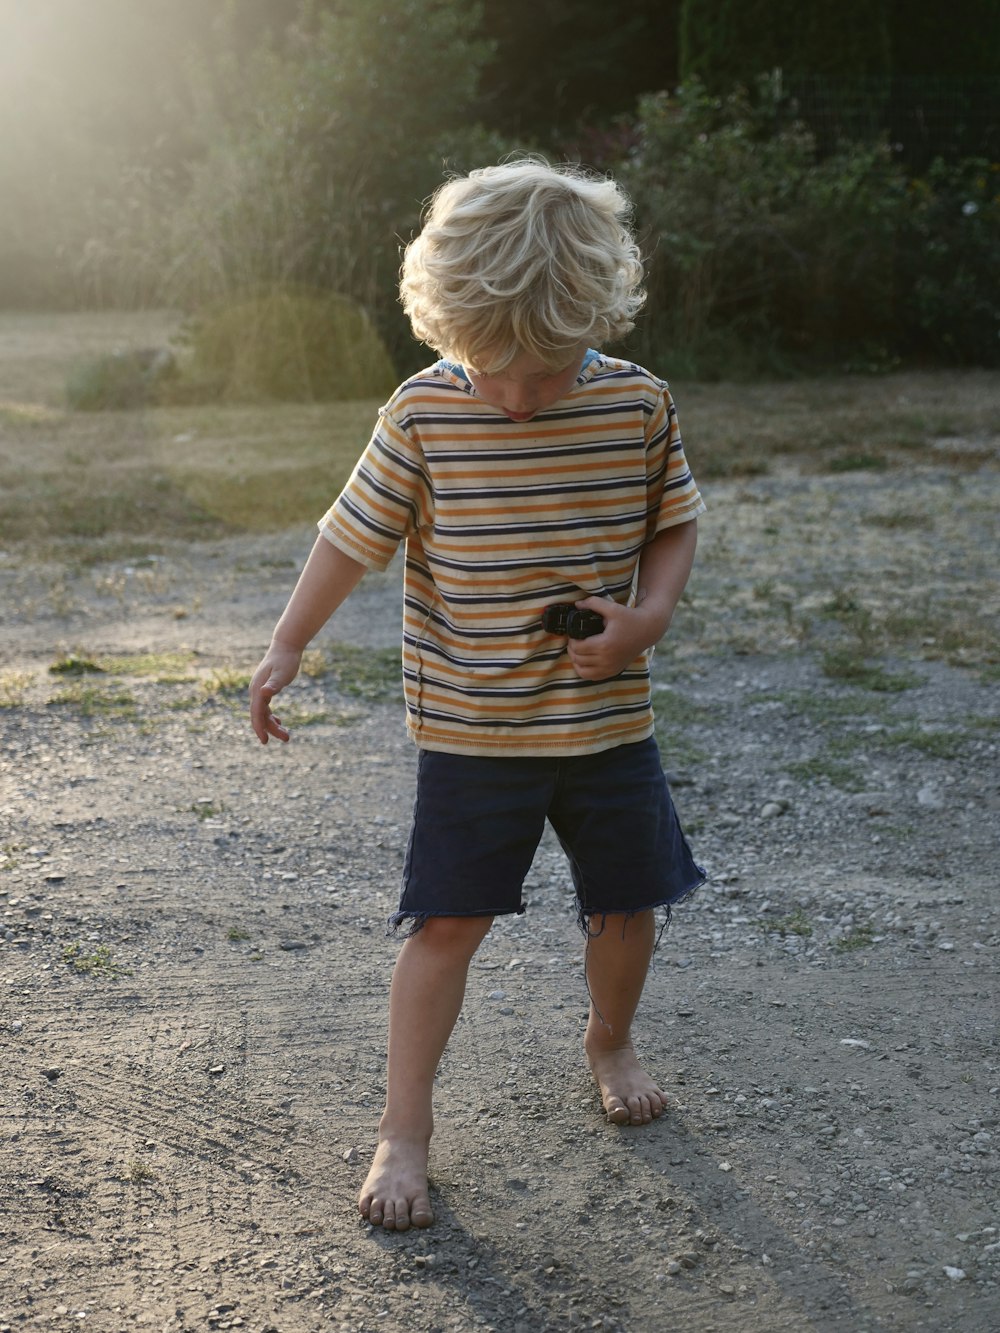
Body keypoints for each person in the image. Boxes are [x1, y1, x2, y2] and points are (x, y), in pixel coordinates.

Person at [248, 158, 706, 1232]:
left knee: (627, 904)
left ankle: (608, 1035)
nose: (512, 395)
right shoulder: (422, 415)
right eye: (487, 366)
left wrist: (647, 618)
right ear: (442, 325)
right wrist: (286, 643)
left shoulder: (635, 403)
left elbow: (674, 521)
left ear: (590, 319)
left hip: (605, 725)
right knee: (445, 921)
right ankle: (403, 1130)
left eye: (540, 373)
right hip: (472, 731)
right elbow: (346, 540)